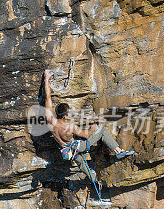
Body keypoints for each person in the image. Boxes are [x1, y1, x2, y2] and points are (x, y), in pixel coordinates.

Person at [42, 69, 134, 201]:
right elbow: (86, 136)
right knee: (101, 130)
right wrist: (93, 128)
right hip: (79, 146)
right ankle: (118, 151)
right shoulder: (70, 127)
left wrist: (46, 78)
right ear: (66, 115)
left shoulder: (50, 121)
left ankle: (94, 179)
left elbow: (48, 97)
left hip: (66, 151)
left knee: (81, 164)